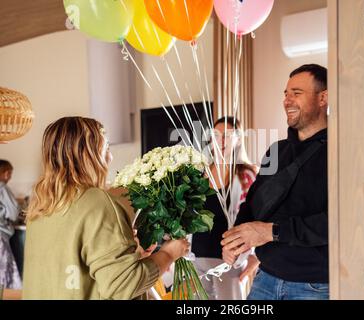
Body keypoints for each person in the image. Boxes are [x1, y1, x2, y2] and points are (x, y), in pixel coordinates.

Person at [23, 117, 189, 299]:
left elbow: (73, 271)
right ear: (87, 154)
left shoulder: (40, 205)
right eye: (106, 148)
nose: (110, 157)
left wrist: (131, 252)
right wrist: (169, 253)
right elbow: (123, 286)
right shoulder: (96, 200)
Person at [221, 64, 329, 300]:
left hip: (314, 287)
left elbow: (336, 223)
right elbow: (252, 204)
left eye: (297, 93)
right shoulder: (275, 152)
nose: (287, 101)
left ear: (323, 98)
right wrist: (235, 240)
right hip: (265, 279)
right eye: (286, 94)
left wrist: (272, 232)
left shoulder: (337, 152)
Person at [191, 117, 259, 300]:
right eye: (216, 135)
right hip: (196, 258)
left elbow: (259, 217)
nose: (221, 140)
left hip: (229, 261)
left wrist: (255, 258)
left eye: (228, 135)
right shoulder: (200, 174)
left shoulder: (246, 175)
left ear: (238, 140)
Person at [0, 159, 22, 289]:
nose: (10, 176)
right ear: (5, 173)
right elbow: (14, 212)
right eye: (10, 173)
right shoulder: (3, 187)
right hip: (1, 235)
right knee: (4, 276)